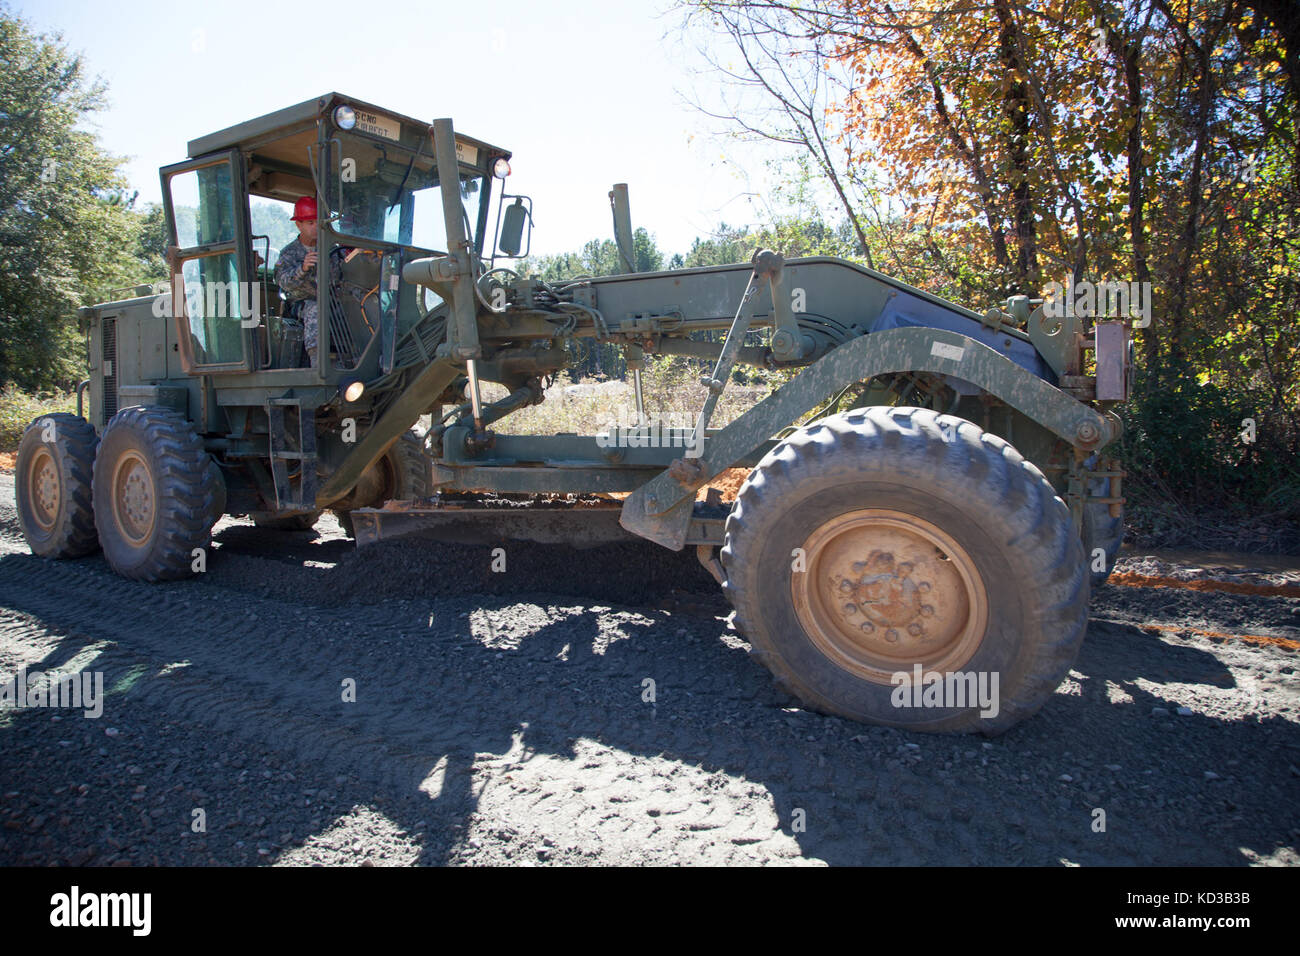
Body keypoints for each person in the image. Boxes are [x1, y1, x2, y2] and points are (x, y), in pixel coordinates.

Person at [274, 196, 341, 367]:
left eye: (318, 223)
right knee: (315, 308)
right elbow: (282, 281)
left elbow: (342, 275)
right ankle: (318, 365)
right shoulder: (289, 253)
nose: (315, 228)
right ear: (299, 225)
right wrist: (302, 269)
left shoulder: (332, 249)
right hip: (301, 305)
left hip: (333, 300)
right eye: (310, 223)